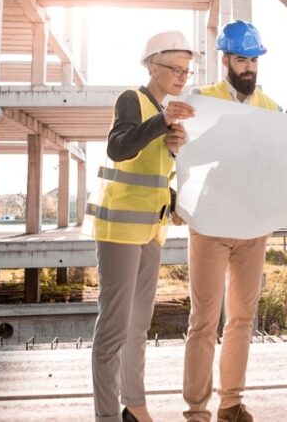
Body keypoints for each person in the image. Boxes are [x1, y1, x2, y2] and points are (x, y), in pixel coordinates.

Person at [88, 30, 196, 422]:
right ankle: (106, 416)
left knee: (138, 325)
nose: (182, 76)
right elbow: (118, 148)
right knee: (114, 329)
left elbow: (152, 175)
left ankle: (134, 405)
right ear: (152, 65)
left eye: (187, 70)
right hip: (119, 231)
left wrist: (174, 195)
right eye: (175, 68)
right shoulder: (131, 99)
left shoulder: (166, 112)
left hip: (151, 231)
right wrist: (161, 122)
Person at [183, 20, 280, 422]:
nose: (249, 68)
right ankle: (195, 409)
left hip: (253, 226)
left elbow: (280, 165)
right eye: (242, 59)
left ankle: (230, 403)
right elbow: (182, 154)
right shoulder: (201, 99)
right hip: (209, 224)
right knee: (204, 319)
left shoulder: (271, 108)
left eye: (254, 60)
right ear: (225, 59)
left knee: (241, 318)